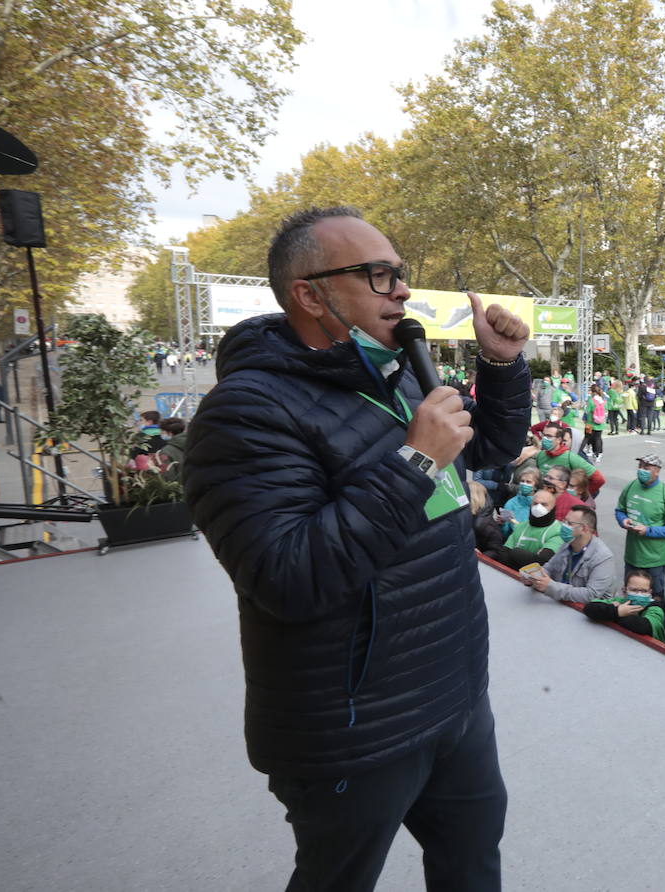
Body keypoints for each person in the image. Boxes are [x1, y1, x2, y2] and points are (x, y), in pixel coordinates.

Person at [183, 207, 529, 889]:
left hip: (454, 697)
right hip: (353, 731)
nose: (399, 290)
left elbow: (483, 449)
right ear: (310, 295)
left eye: (398, 273)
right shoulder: (245, 412)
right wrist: (414, 464)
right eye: (376, 275)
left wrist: (501, 366)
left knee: (473, 861)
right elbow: (287, 577)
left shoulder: (395, 373)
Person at [613, 454, 665, 612]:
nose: (641, 471)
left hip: (654, 560)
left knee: (655, 599)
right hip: (632, 556)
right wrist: (622, 520)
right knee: (630, 595)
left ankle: (656, 628)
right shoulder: (630, 487)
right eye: (640, 467)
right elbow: (620, 510)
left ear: (657, 471)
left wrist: (649, 531)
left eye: (646, 467)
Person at [524, 504, 617, 604]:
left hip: (587, 611)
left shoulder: (603, 558)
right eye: (564, 521)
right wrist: (534, 578)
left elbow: (591, 595)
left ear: (584, 529)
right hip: (562, 602)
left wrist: (551, 587)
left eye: (569, 523)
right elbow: (549, 567)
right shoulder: (567, 543)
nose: (564, 526)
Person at [581, 569, 665, 638]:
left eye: (644, 591)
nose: (639, 594)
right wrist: (616, 611)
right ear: (625, 590)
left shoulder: (655, 609)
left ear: (650, 592)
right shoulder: (620, 601)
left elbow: (643, 627)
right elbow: (589, 608)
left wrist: (616, 613)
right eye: (634, 590)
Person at [501, 487, 566, 569]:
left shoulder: (558, 531)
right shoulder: (520, 526)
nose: (538, 507)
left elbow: (542, 561)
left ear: (553, 508)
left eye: (544, 504)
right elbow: (503, 554)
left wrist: (515, 553)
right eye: (535, 503)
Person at [155, 417, 188, 482]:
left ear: (170, 433)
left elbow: (168, 477)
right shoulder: (197, 443)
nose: (161, 434)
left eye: (162, 431)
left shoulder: (166, 451)